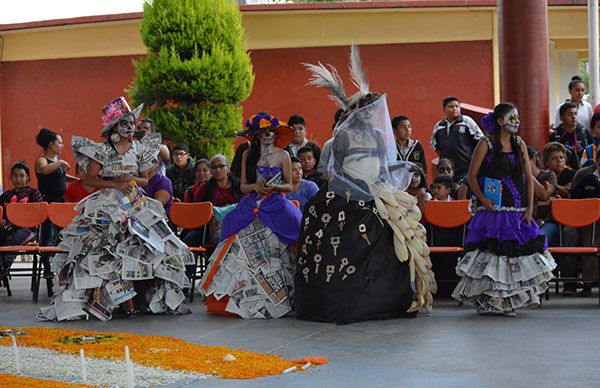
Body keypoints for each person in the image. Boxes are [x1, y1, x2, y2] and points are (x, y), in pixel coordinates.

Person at [295, 46, 436, 324]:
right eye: (369, 111)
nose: (373, 115)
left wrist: (400, 169)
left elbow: (383, 166)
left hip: (376, 192)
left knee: (392, 233)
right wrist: (356, 186)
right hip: (346, 194)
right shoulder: (343, 137)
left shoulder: (380, 137)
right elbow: (335, 170)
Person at [39, 96, 193, 321]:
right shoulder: (102, 150)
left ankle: (140, 297)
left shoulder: (138, 149)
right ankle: (116, 300)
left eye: (131, 123)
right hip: (107, 201)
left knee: (150, 243)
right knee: (105, 246)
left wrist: (129, 179)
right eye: (125, 123)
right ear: (114, 127)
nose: (130, 127)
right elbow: (90, 180)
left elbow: (144, 180)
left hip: (133, 199)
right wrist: (114, 183)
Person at [452, 103, 556, 316]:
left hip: (516, 210)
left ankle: (509, 302)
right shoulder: (485, 144)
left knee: (513, 256)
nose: (516, 122)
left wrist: (529, 209)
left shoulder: (519, 144)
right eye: (511, 117)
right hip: (491, 211)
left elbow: (528, 178)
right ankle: (489, 301)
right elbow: (471, 176)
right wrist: (483, 199)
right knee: (491, 255)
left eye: (517, 117)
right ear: (499, 121)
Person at [198, 112, 301, 319]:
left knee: (295, 231)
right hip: (252, 204)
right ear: (256, 136)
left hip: (275, 203)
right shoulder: (248, 155)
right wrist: (255, 186)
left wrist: (275, 187)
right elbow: (244, 187)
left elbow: (290, 186)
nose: (267, 136)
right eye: (263, 133)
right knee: (231, 227)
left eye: (270, 132)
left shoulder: (284, 155)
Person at [35, 127, 71, 279]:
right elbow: (44, 170)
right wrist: (61, 162)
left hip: (60, 203)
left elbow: (61, 178)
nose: (62, 146)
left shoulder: (56, 162)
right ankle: (47, 268)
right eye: (60, 143)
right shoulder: (42, 160)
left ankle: (65, 265)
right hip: (48, 202)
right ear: (51, 144)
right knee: (47, 236)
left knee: (65, 234)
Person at [0, 162, 43, 271]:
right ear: (11, 177)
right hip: (8, 228)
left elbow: (38, 215)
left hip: (28, 229)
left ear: (28, 177)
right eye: (15, 176)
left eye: (22, 176)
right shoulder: (5, 196)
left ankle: (4, 268)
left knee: (11, 240)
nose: (18, 179)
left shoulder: (34, 194)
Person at [431, 96, 484, 182]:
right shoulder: (439, 126)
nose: (454, 109)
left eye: (457, 106)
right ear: (444, 109)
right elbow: (435, 146)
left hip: (466, 169)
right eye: (451, 107)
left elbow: (480, 140)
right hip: (446, 170)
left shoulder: (467, 121)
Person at [550, 102, 593, 167]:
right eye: (569, 115)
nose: (574, 117)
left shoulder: (584, 132)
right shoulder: (556, 134)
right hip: (562, 170)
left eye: (575, 114)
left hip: (583, 169)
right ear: (562, 118)